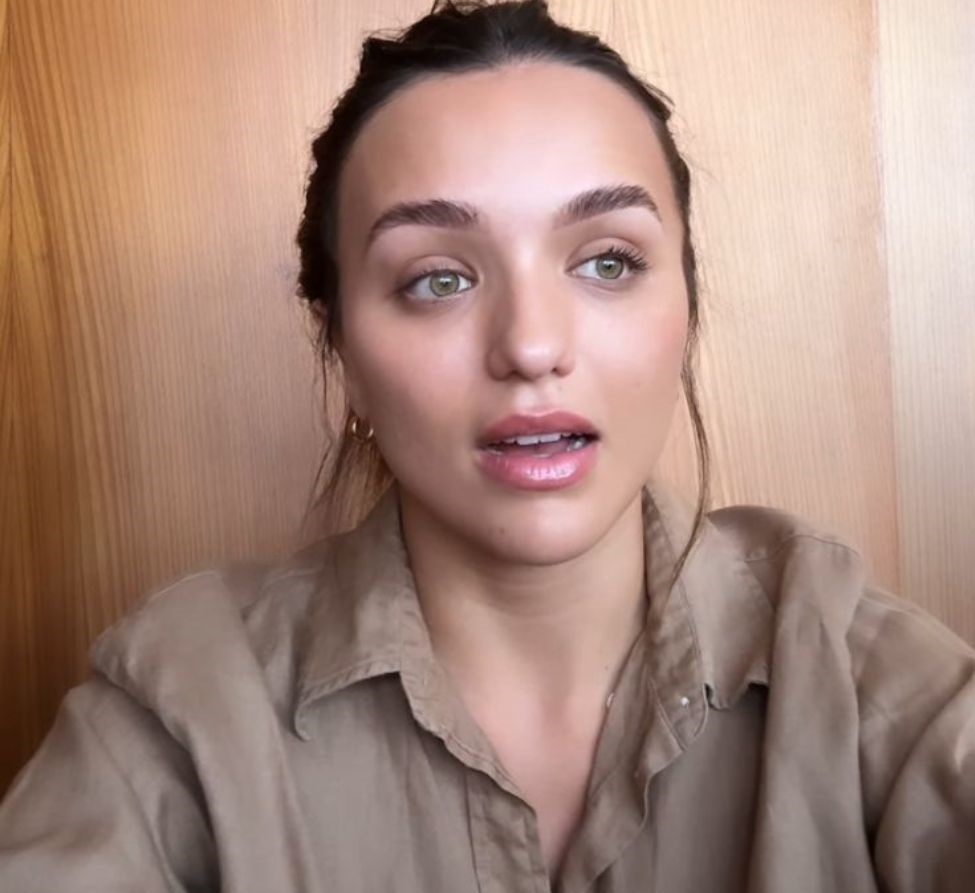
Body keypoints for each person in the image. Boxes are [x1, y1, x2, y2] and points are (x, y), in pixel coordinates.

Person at [1, 1, 972, 890]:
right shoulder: (181, 705)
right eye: (438, 279)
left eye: (608, 261)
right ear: (341, 346)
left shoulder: (860, 669)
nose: (532, 345)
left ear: (686, 305)